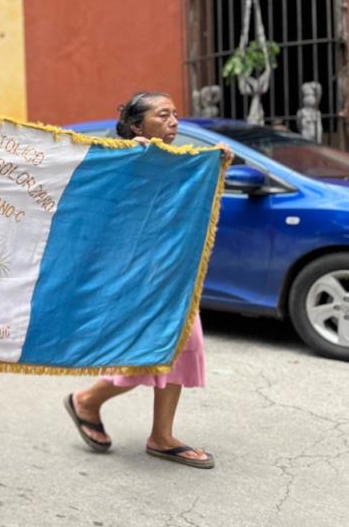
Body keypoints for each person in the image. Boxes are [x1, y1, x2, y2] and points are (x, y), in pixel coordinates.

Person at [64, 91, 226, 470]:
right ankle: (88, 401)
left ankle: (161, 436)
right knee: (150, 347)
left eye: (175, 115)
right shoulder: (118, 158)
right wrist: (125, 159)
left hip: (171, 275)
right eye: (163, 115)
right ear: (137, 126)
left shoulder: (177, 163)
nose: (174, 122)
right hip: (135, 276)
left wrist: (219, 166)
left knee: (182, 342)